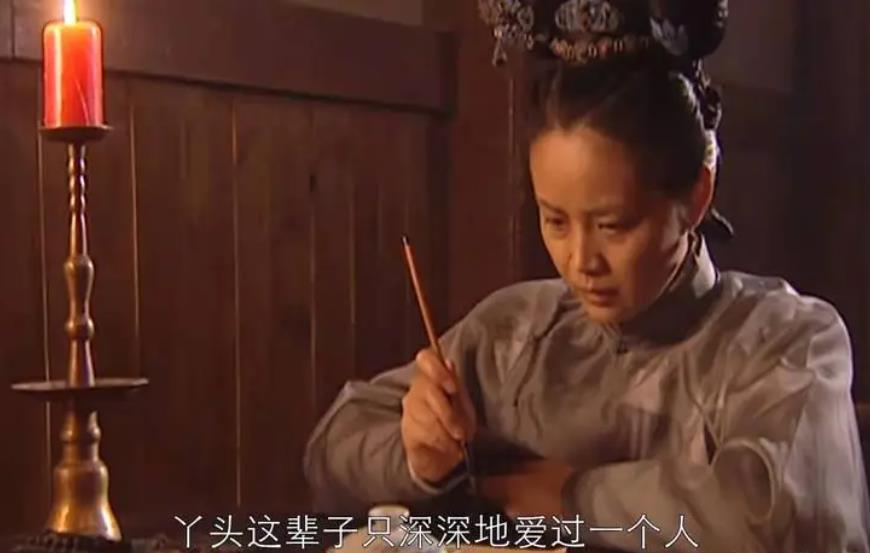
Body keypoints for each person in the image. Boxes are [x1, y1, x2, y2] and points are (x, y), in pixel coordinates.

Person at [304, 0, 870, 550]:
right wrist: (419, 458)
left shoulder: (782, 341)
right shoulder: (514, 333)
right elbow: (333, 445)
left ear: (696, 197)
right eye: (555, 221)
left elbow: (783, 520)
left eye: (613, 225)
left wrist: (573, 495)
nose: (580, 260)